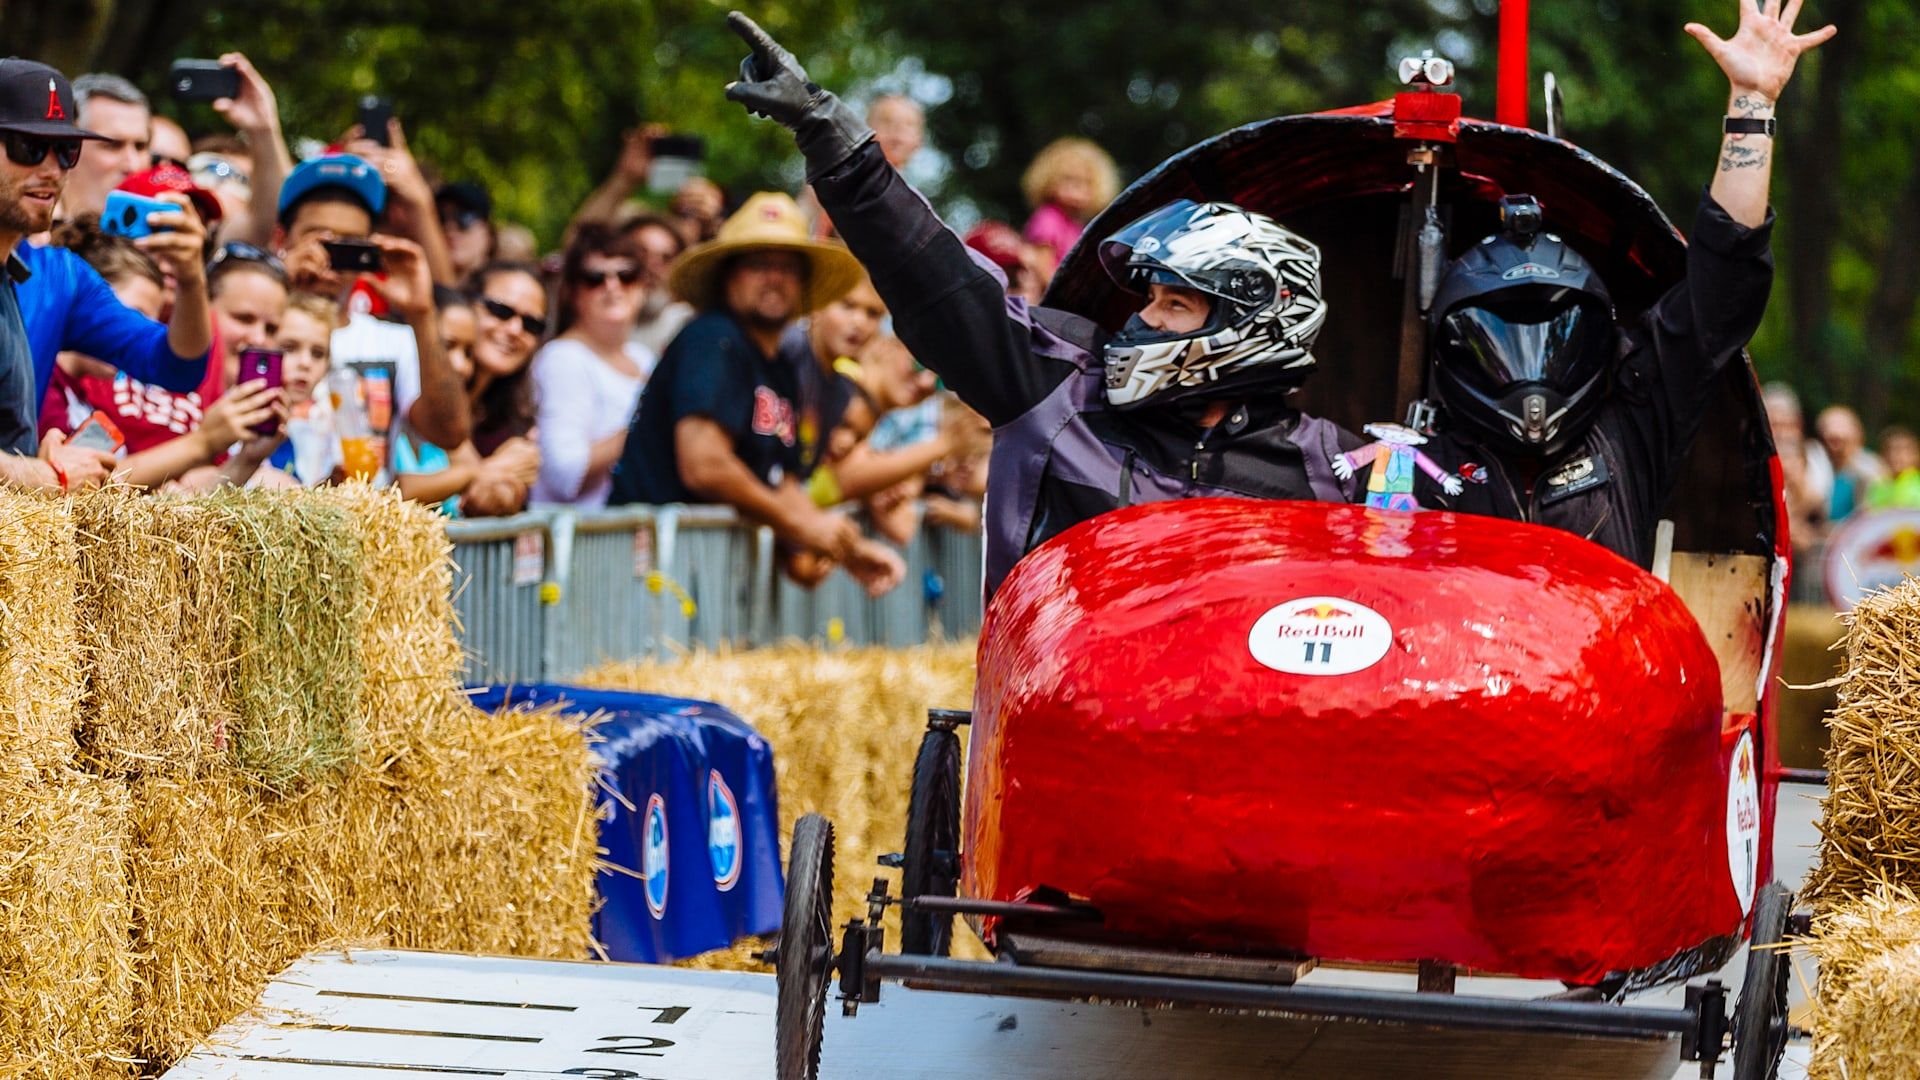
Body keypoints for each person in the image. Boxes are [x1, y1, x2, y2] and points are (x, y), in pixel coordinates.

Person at [722, 14, 1360, 599]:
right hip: (1057, 716)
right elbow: (936, 276)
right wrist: (825, 129)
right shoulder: (1061, 385)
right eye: (1152, 298)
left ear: (1254, 321)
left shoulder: (1340, 470)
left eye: (1177, 304)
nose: (1145, 319)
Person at [1404, 0, 1835, 567]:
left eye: (1556, 334)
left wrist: (1752, 105)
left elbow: (1723, 285)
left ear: (1600, 338)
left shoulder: (1630, 431)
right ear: (1451, 349)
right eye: (1499, 337)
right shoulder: (1411, 466)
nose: (1531, 372)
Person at [608, 191, 905, 596]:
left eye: (788, 267)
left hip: (689, 578)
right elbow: (705, 464)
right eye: (759, 264)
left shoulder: (778, 367)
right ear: (729, 275)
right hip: (641, 572)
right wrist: (800, 526)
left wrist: (846, 548)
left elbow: (777, 481)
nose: (775, 278)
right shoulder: (713, 340)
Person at [1, 58, 211, 491]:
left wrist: (191, 279)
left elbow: (176, 366)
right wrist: (41, 476)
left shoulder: (61, 277)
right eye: (29, 147)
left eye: (66, 151)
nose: (53, 170)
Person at [273, 153, 467, 455]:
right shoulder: (254, 326)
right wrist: (278, 281)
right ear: (282, 240)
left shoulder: (393, 340)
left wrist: (422, 313)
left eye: (349, 244)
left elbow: (450, 433)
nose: (332, 259)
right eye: (320, 240)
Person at [529, 226, 653, 507]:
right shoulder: (564, 358)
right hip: (572, 543)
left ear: (643, 285)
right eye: (595, 278)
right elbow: (566, 473)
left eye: (627, 276)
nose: (613, 286)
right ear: (573, 292)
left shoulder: (644, 358)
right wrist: (648, 423)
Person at [1020, 136, 1119, 270]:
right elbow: (1042, 266)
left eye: (1087, 183)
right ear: (1049, 181)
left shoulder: (1076, 226)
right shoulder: (1048, 218)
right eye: (1070, 180)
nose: (1079, 190)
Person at [62, 73, 149, 221]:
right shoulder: (24, 237)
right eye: (113, 146)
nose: (133, 166)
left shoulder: (159, 238)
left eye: (140, 147)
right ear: (69, 148)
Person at [1816, 404, 1884, 522]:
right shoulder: (1819, 464)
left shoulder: (1869, 467)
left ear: (1857, 435)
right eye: (1831, 440)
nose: (1835, 447)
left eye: (1840, 440)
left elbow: (1871, 513)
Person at [437, 181, 495, 284]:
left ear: (487, 233)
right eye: (441, 219)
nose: (449, 228)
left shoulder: (502, 288)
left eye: (464, 218)